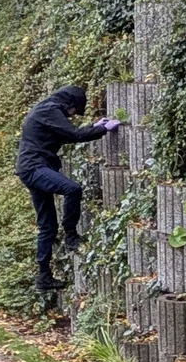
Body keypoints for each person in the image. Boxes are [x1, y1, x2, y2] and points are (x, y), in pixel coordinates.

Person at [16, 85, 119, 300]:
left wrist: (94, 126)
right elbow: (73, 134)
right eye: (74, 111)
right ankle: (71, 235)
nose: (72, 115)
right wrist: (102, 129)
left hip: (32, 167)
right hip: (35, 167)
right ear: (70, 103)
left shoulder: (47, 109)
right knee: (72, 189)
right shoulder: (49, 110)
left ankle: (43, 276)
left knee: (47, 226)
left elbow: (68, 134)